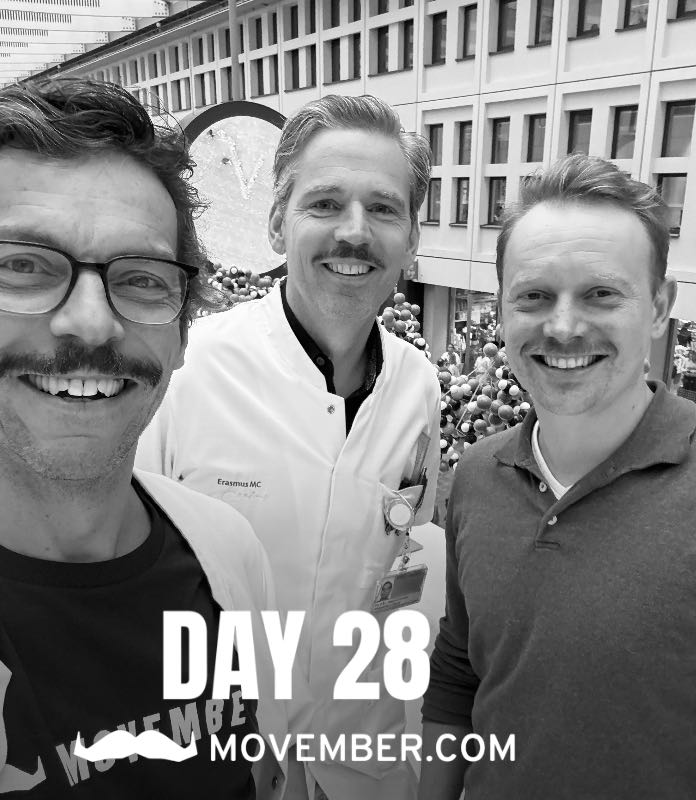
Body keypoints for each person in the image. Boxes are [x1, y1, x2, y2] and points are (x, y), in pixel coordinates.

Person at [0, 79, 287, 800]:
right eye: (22, 265)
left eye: (141, 279)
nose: (90, 322)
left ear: (181, 335)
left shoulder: (231, 555)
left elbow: (261, 771)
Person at [137, 94, 441, 799]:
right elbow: (130, 585)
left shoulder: (417, 387)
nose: (355, 232)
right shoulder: (188, 371)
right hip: (217, 757)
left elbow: (403, 559)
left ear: (411, 239)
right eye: (326, 203)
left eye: (384, 208)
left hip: (363, 757)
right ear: (278, 224)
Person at [420, 154, 696, 799]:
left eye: (602, 294)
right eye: (535, 296)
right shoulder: (477, 476)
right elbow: (462, 670)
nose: (564, 326)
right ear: (501, 311)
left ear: (660, 307)